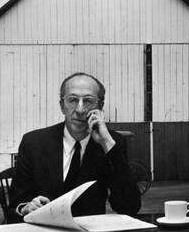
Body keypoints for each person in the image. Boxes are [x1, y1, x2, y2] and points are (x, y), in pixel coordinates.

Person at [8, 72, 141, 219]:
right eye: (72, 100)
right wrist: (25, 208)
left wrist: (107, 144)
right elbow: (15, 205)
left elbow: (129, 206)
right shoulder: (33, 142)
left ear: (100, 106)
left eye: (89, 101)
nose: (80, 109)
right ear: (62, 106)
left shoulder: (112, 142)